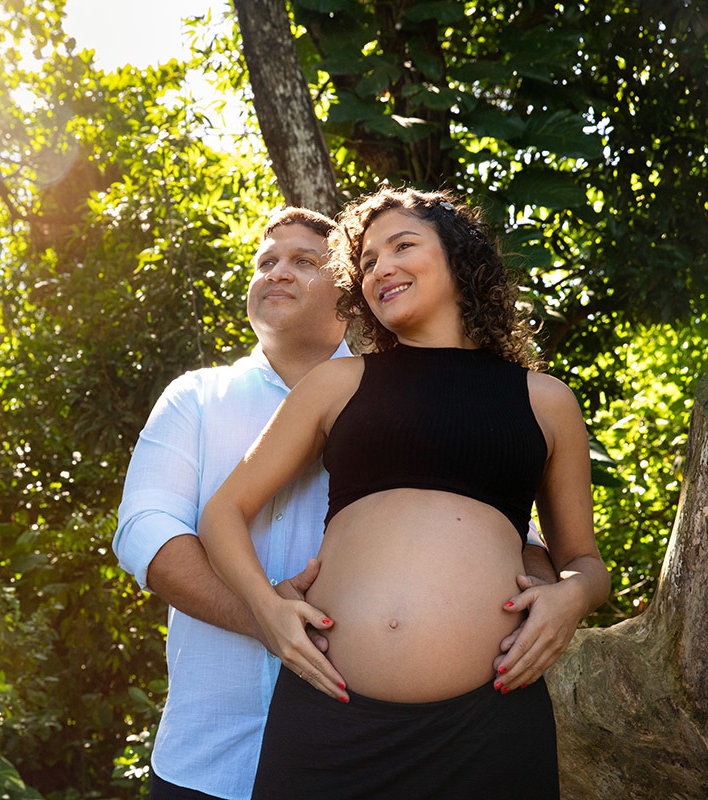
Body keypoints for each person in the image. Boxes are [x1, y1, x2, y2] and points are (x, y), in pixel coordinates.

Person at [114, 205, 556, 800]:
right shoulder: (196, 396)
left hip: (449, 731)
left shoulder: (411, 393)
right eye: (266, 262)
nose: (278, 272)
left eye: (302, 261)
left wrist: (565, 592)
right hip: (214, 749)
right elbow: (148, 533)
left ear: (347, 294)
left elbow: (503, 532)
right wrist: (267, 619)